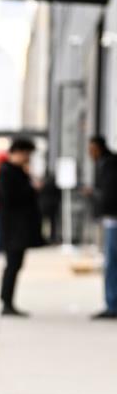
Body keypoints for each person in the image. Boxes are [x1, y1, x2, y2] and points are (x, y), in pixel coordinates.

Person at [0, 136, 43, 316]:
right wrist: (32, 188)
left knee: (15, 265)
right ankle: (6, 302)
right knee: (13, 265)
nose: (28, 157)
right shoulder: (8, 172)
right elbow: (11, 198)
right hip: (13, 229)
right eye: (27, 154)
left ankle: (7, 301)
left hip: (17, 229)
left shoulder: (16, 171)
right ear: (18, 152)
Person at [87, 135, 117, 319]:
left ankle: (112, 305)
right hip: (111, 219)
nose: (90, 153)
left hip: (113, 220)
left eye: (92, 149)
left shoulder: (109, 164)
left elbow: (110, 194)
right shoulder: (107, 163)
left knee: (111, 263)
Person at [37, 172, 61, 245]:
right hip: (51, 205)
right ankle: (52, 238)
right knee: (51, 223)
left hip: (45, 205)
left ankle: (46, 238)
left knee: (45, 223)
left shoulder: (44, 185)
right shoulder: (53, 184)